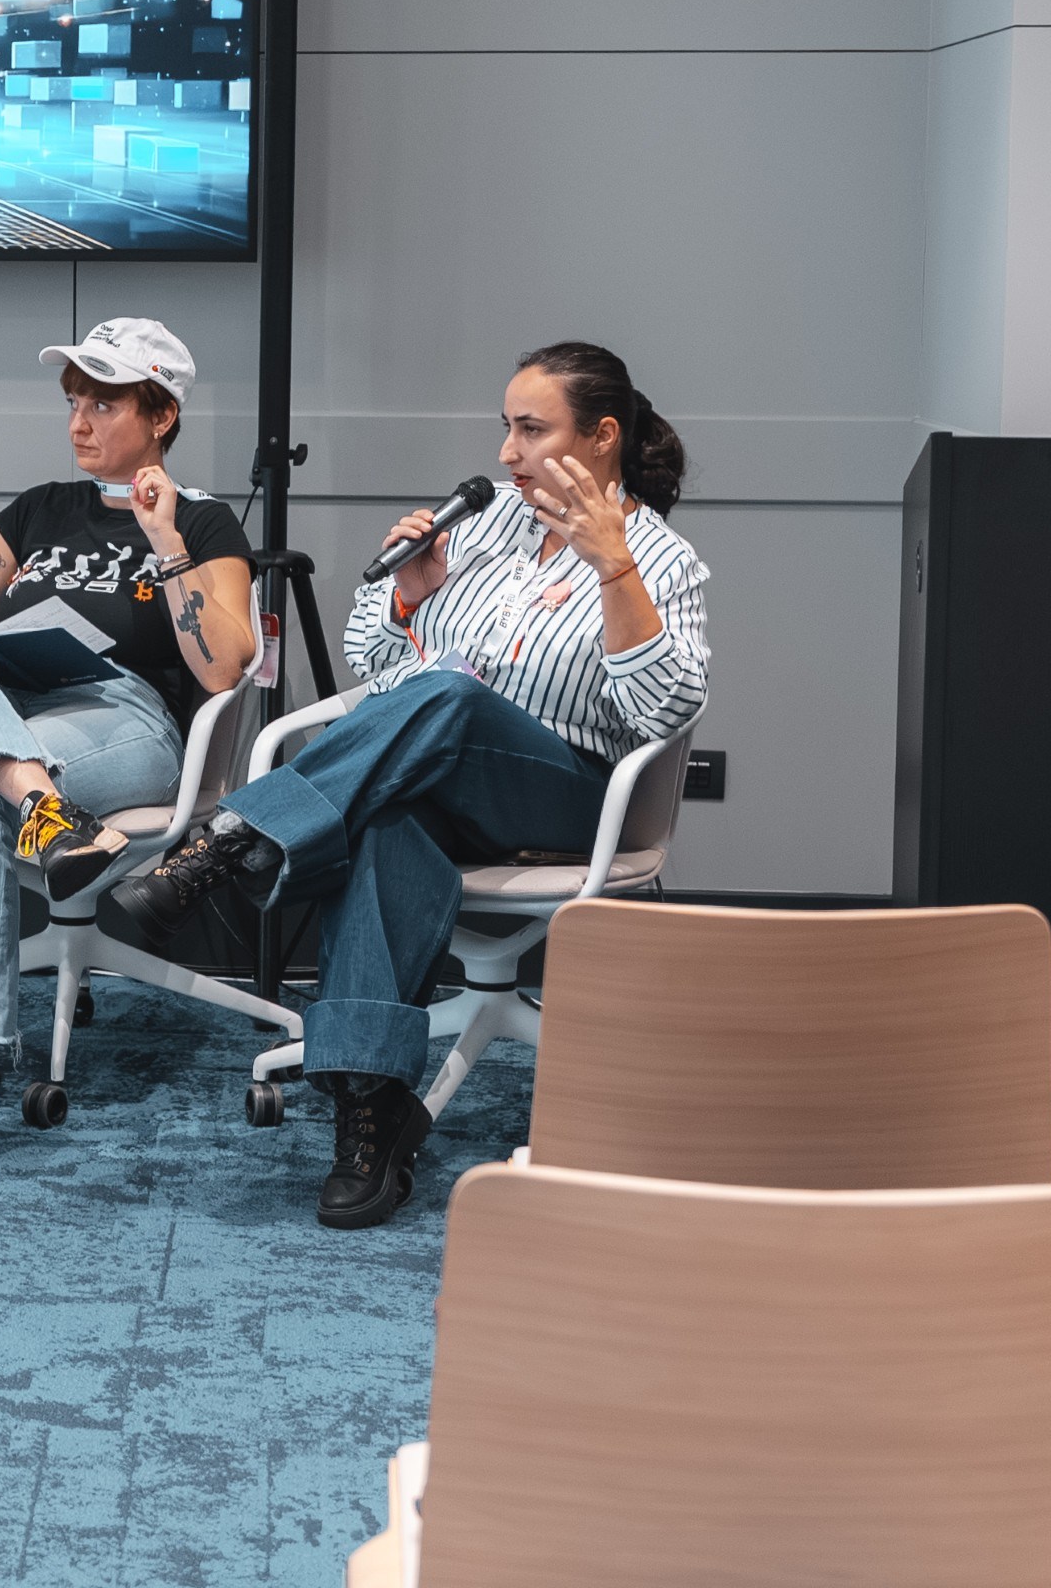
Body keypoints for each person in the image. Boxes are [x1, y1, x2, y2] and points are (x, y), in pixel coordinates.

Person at [115, 342, 709, 1230]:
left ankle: (236, 840)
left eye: (531, 430)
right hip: (437, 775)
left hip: (571, 793)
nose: (507, 452)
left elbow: (662, 711)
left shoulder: (660, 558)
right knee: (386, 819)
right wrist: (413, 597)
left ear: (602, 437)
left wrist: (613, 568)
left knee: (453, 700)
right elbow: (374, 663)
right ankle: (372, 1109)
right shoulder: (485, 524)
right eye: (506, 428)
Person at [0, 318, 257, 1149]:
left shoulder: (204, 524)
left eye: (102, 404)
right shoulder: (38, 511)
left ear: (162, 415)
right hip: (1, 713)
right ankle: (43, 807)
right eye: (72, 402)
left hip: (121, 722)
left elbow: (223, 668)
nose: (78, 424)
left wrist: (165, 541)